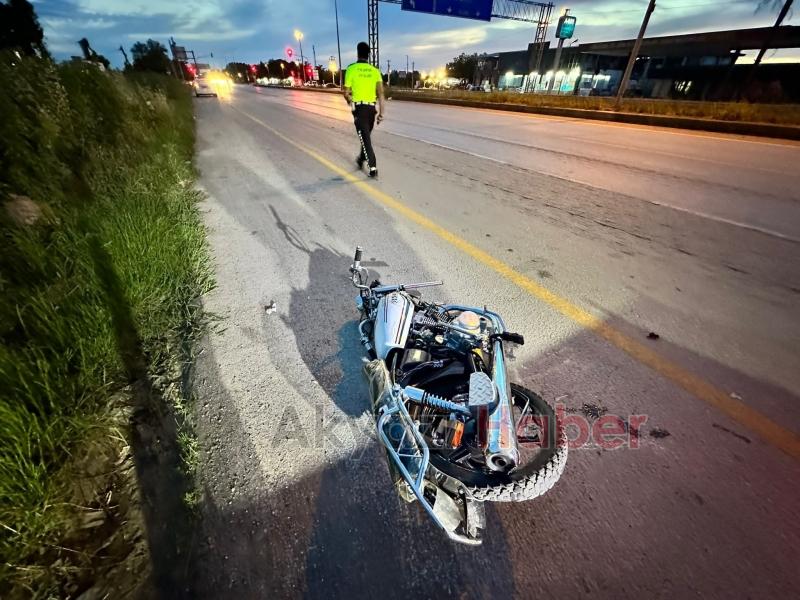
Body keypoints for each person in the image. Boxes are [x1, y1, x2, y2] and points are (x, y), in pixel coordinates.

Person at [343, 42, 385, 178]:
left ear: (358, 53)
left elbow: (346, 92)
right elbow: (381, 94)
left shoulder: (351, 69)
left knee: (365, 138)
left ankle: (373, 166)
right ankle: (361, 159)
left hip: (359, 110)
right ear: (368, 54)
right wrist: (382, 113)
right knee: (365, 135)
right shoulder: (375, 71)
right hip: (372, 110)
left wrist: (350, 100)